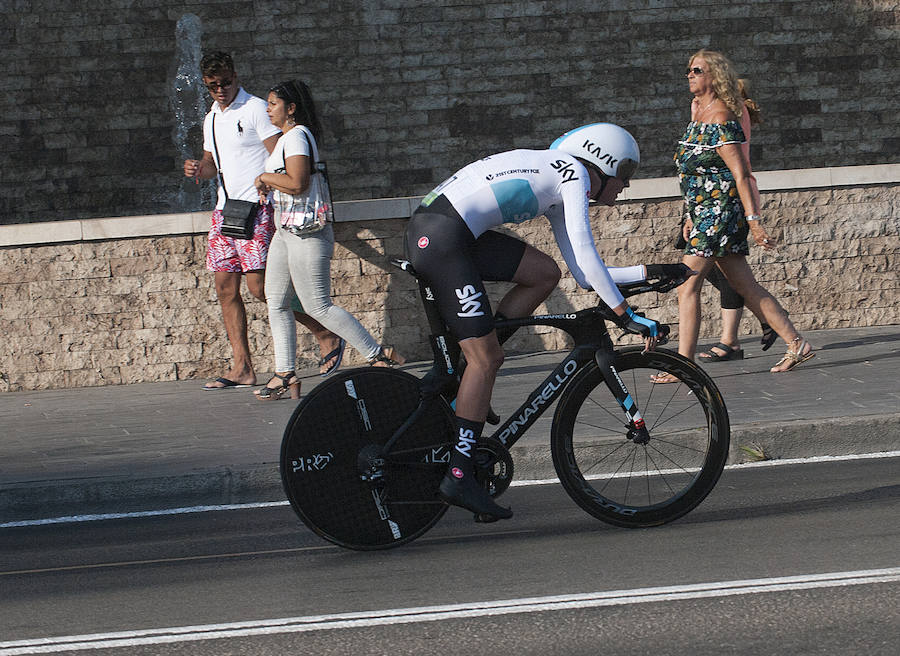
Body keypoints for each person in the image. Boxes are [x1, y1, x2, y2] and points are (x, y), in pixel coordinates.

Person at [405, 123, 669, 521]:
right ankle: (459, 474)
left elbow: (583, 271)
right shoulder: (574, 175)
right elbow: (589, 259)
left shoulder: (562, 176)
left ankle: (465, 381)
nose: (625, 185)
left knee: (543, 273)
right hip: (441, 238)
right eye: (625, 174)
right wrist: (626, 316)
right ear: (604, 161)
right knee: (486, 359)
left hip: (444, 229)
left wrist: (651, 270)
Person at [182, 52, 343, 390]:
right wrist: (199, 168)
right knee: (225, 288)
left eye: (226, 82)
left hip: (258, 210)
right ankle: (242, 367)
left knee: (259, 287)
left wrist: (271, 188)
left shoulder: (256, 109)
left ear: (235, 76)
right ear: (206, 86)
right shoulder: (211, 118)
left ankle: (324, 332)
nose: (221, 90)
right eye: (213, 86)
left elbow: (281, 154)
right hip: (226, 210)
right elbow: (212, 165)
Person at [653, 50, 814, 384]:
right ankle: (797, 344)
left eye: (696, 70)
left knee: (687, 285)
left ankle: (684, 367)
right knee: (745, 286)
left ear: (715, 76)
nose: (689, 75)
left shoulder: (723, 115)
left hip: (721, 213)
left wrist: (754, 221)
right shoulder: (696, 111)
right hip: (702, 212)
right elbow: (693, 173)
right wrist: (689, 213)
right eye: (688, 70)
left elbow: (741, 174)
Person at [253, 79, 403, 400]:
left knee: (317, 305)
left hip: (307, 233)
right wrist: (269, 183)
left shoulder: (296, 137)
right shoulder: (284, 140)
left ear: (291, 109)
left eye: (273, 104)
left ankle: (378, 356)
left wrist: (265, 177)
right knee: (276, 300)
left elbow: (298, 183)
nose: (267, 109)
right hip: (286, 230)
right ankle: (285, 373)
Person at [699, 78, 777, 362]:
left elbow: (731, 164)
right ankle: (768, 316)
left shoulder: (729, 113)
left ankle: (733, 339)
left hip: (726, 197)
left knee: (727, 269)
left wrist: (753, 220)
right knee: (716, 268)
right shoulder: (719, 112)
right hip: (710, 198)